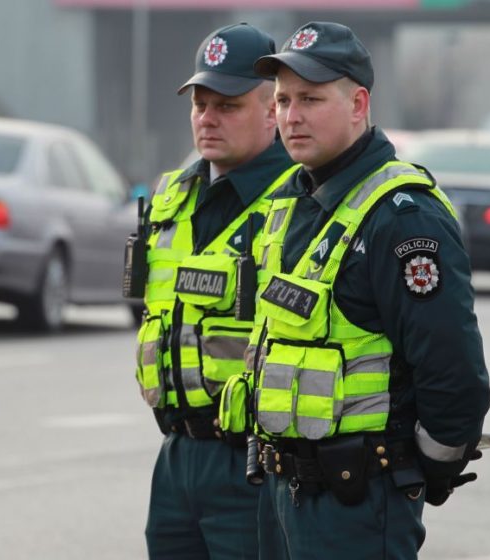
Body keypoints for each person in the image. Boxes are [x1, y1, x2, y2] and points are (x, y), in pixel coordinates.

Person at [237, 21, 490, 559]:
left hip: (356, 499)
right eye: (282, 100)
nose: (291, 115)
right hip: (283, 493)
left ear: (358, 105)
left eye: (310, 98)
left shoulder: (402, 215)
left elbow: (452, 371)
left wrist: (425, 468)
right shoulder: (291, 200)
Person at [132, 22, 297, 560]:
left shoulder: (299, 202)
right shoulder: (174, 197)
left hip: (256, 461)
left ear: (272, 110)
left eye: (226, 106)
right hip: (178, 453)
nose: (207, 119)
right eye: (200, 105)